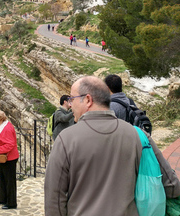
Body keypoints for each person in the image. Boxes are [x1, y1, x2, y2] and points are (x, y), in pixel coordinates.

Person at [44, 76, 180, 216]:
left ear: (88, 100)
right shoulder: (139, 136)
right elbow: (172, 186)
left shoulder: (65, 139)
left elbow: (54, 199)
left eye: (72, 98)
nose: (70, 104)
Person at [0, 110, 19, 210]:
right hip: (4, 158)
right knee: (2, 178)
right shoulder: (5, 126)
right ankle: (2, 198)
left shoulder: (6, 128)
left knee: (9, 181)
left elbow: (10, 144)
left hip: (9, 158)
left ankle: (11, 203)